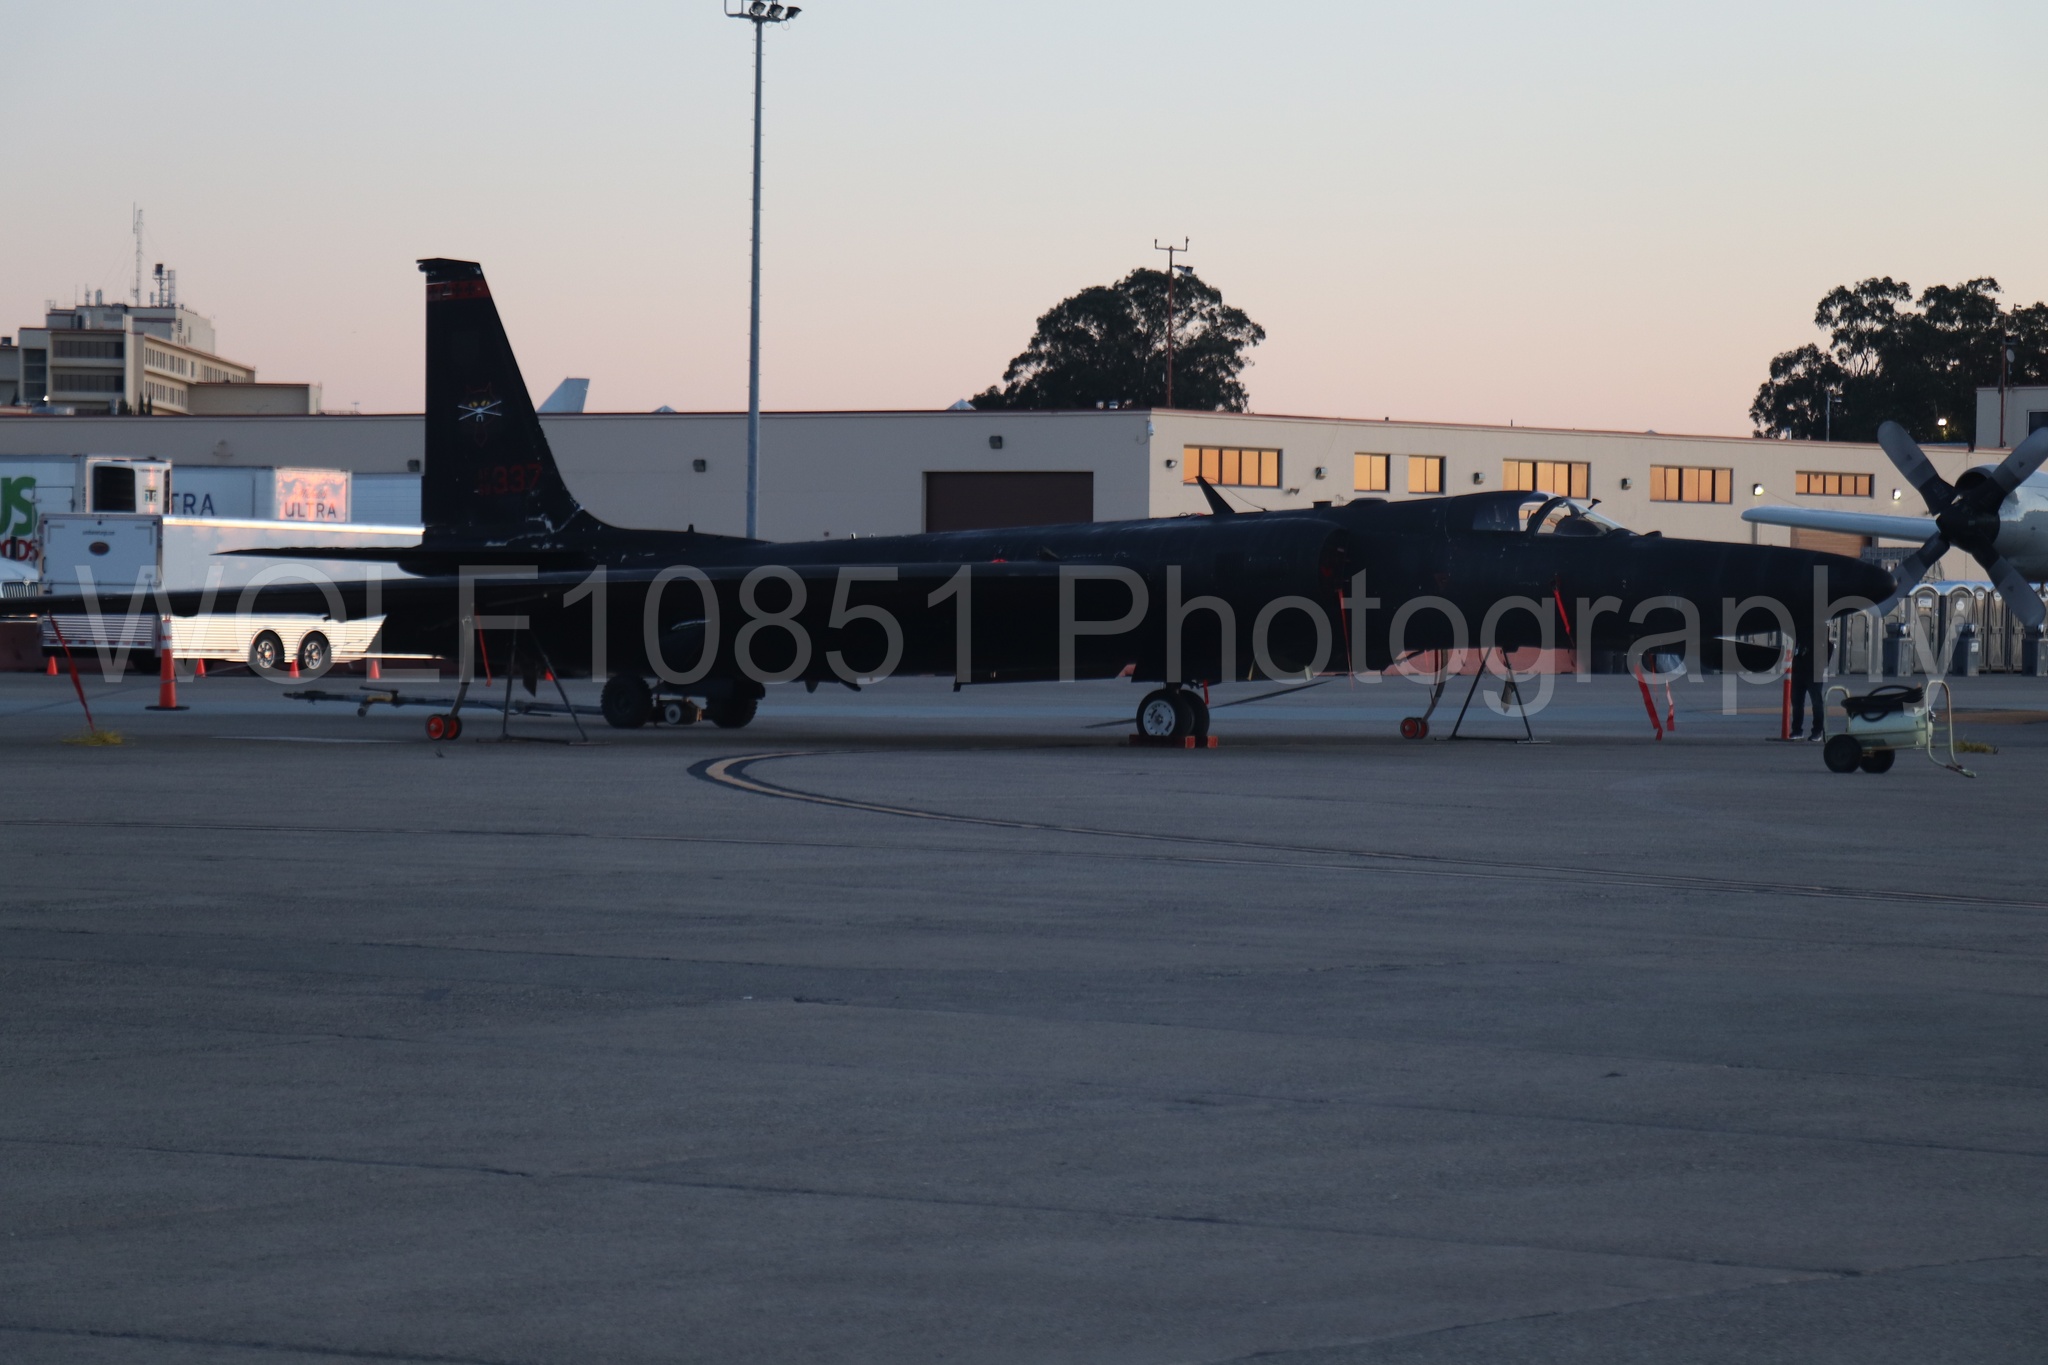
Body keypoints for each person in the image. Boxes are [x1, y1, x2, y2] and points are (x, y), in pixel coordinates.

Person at [1788, 638, 1828, 740]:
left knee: (1816, 702)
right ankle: (1797, 730)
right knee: (1797, 702)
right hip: (1799, 669)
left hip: (1813, 670)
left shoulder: (1817, 628)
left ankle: (1817, 731)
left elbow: (1828, 646)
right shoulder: (1798, 631)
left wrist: (1821, 665)